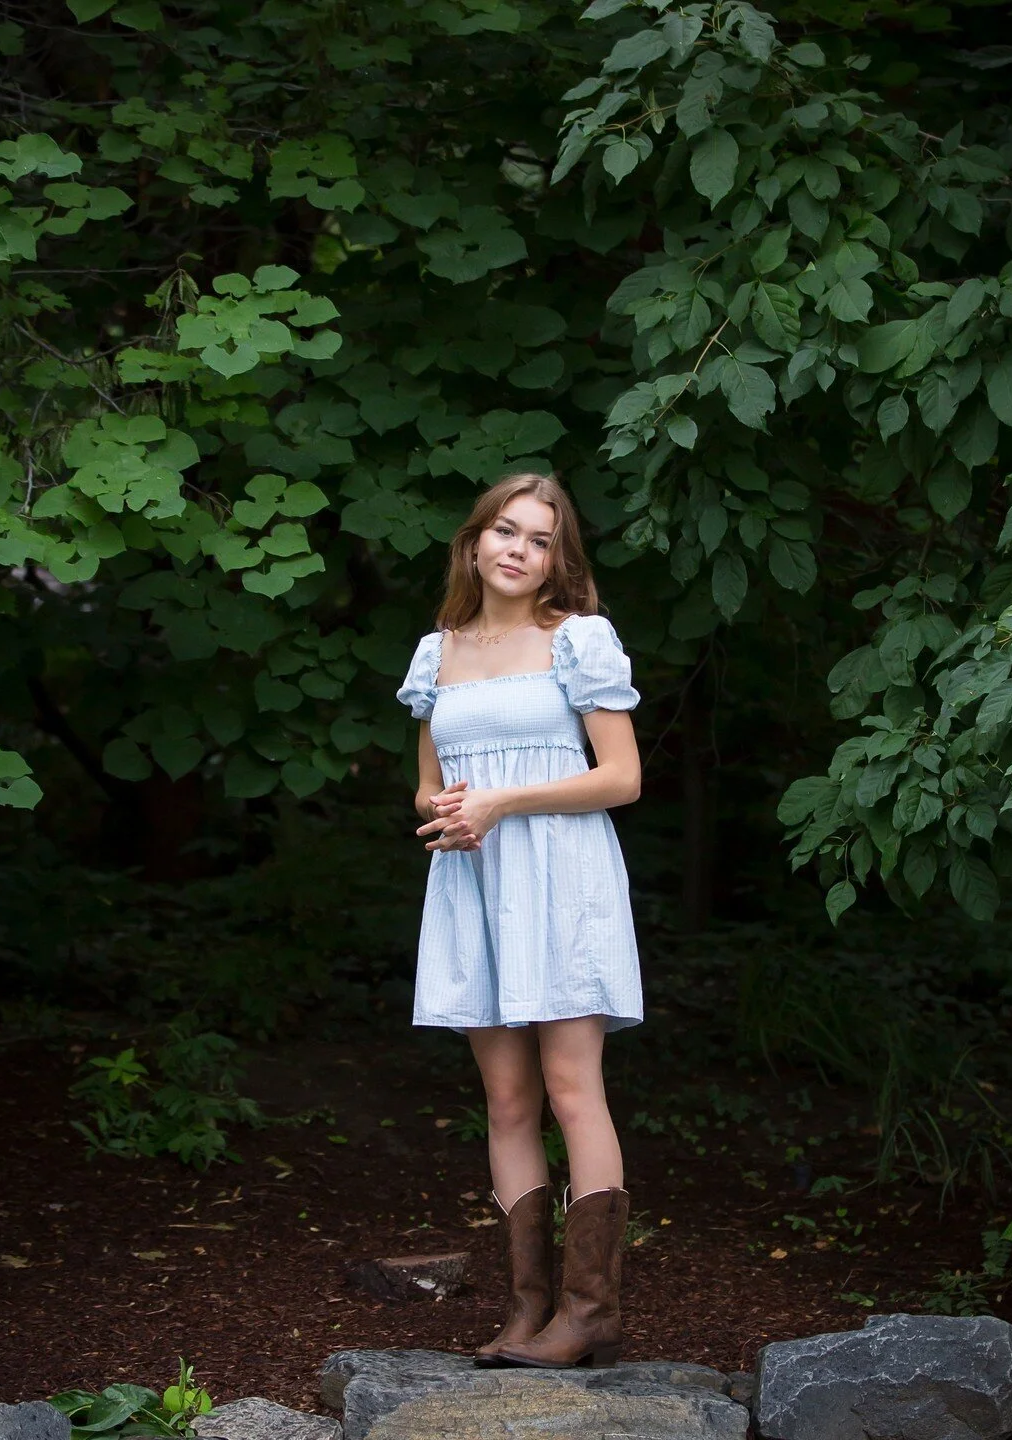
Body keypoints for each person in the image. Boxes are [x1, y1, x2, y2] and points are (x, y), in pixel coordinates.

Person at [395, 471, 643, 1370]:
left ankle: (589, 1312)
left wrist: (504, 802)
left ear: (554, 563)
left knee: (571, 1086)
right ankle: (528, 1310)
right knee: (505, 1101)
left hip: (561, 876)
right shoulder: (439, 652)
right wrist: (447, 807)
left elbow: (620, 777)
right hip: (472, 882)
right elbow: (427, 778)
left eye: (539, 541)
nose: (517, 549)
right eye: (505, 531)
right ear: (473, 542)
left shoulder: (579, 640)